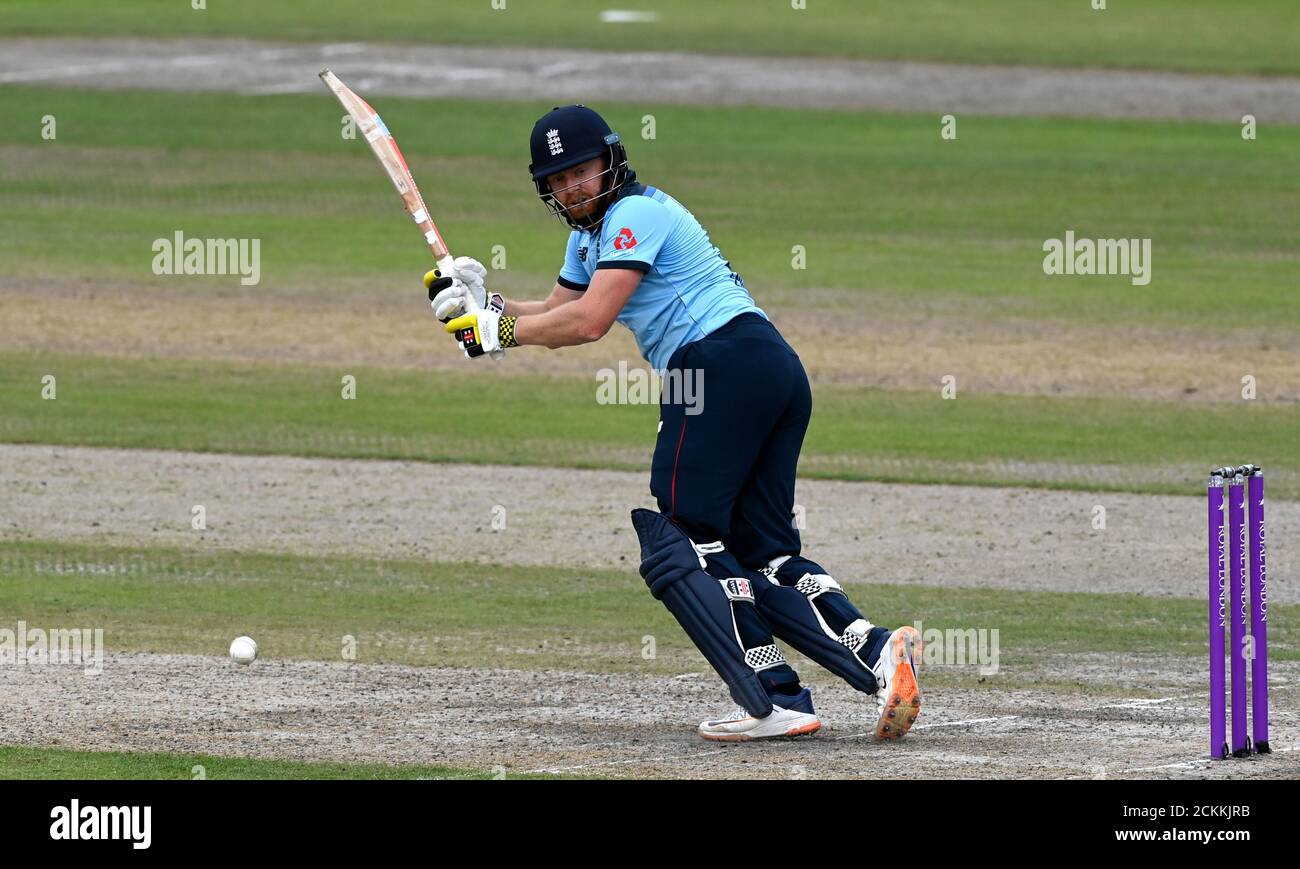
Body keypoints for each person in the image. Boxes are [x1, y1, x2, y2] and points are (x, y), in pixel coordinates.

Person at [425, 105, 921, 742]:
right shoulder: (591, 237)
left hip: (717, 366)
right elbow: (556, 314)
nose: (572, 186)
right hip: (769, 367)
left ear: (610, 160)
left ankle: (773, 700)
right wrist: (484, 304)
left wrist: (499, 334)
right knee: (762, 552)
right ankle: (877, 652)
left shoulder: (636, 214)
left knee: (680, 540)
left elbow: (591, 322)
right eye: (558, 178)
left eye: (581, 170)